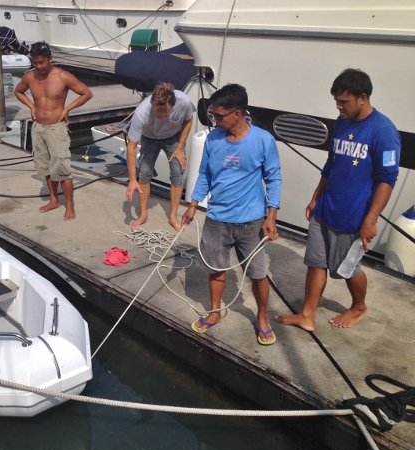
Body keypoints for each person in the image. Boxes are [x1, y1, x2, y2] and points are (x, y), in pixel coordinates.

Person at [276, 69, 400, 331]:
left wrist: (370, 220)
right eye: (337, 101)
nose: (338, 107)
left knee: (348, 269)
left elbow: (387, 180)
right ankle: (307, 315)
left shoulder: (384, 132)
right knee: (316, 262)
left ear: (362, 98)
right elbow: (330, 164)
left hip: (354, 217)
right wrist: (315, 198)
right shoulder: (342, 122)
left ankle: (359, 306)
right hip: (325, 210)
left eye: (344, 102)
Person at [181, 84, 282, 345]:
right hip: (217, 219)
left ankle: (262, 318)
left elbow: (274, 178)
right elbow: (204, 174)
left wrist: (271, 217)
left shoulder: (263, 140)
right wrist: (193, 205)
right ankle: (215, 312)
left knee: (258, 274)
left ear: (237, 114)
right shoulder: (213, 139)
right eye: (213, 115)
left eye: (219, 116)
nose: (214, 120)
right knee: (215, 269)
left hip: (251, 221)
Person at [14, 41, 93, 220]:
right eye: (35, 62)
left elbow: (86, 93)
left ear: (50, 59)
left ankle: (70, 206)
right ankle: (54, 200)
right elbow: (18, 91)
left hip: (56, 127)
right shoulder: (29, 77)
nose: (39, 66)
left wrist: (67, 109)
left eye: (42, 62)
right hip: (38, 127)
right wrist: (31, 107)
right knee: (45, 167)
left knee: (62, 168)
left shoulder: (63, 76)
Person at [126, 82, 196, 231]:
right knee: (144, 173)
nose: (162, 117)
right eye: (158, 113)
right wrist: (132, 180)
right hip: (149, 137)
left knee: (177, 173)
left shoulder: (184, 102)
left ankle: (173, 216)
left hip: (173, 138)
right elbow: (131, 147)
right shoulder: (141, 112)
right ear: (152, 104)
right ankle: (143, 214)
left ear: (173, 105)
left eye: (167, 113)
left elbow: (189, 120)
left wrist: (180, 147)